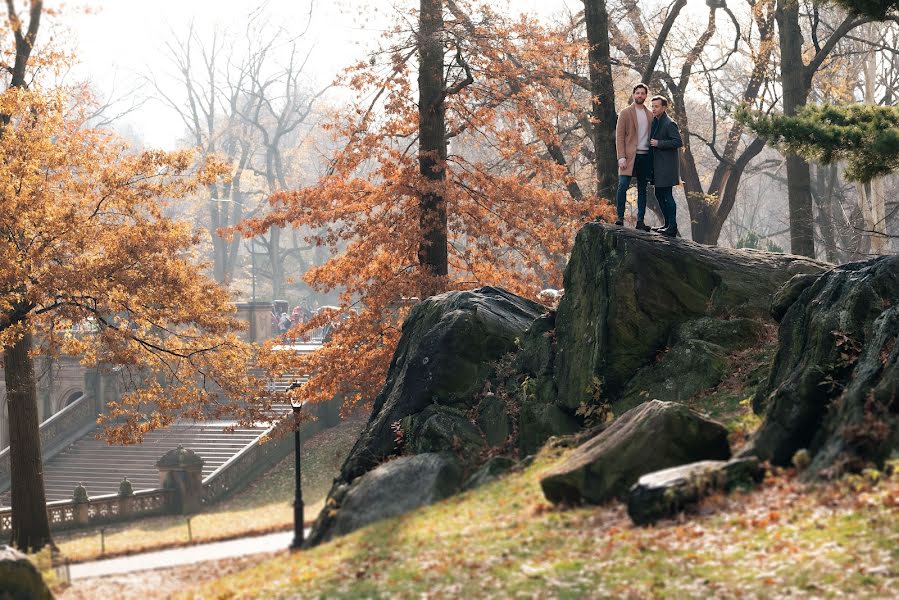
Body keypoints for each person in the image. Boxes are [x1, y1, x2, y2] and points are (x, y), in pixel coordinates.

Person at [614, 83, 654, 231]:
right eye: (638, 93)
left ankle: (640, 221)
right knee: (622, 186)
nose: (640, 96)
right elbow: (619, 136)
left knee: (643, 189)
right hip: (629, 157)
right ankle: (619, 217)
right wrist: (621, 157)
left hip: (645, 157)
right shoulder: (625, 113)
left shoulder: (650, 114)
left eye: (643, 93)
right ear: (633, 94)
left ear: (646, 96)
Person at [648, 95, 683, 238]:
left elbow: (677, 142)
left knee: (667, 195)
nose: (654, 109)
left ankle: (672, 227)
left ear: (664, 107)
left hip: (667, 167)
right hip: (658, 166)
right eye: (652, 106)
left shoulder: (669, 123)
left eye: (656, 106)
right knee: (658, 193)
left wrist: (659, 143)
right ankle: (667, 224)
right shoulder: (656, 121)